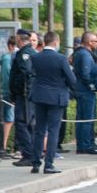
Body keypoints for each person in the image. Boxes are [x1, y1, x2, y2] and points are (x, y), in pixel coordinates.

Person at [27, 32, 78, 174]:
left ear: (44, 42)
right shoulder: (61, 59)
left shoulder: (35, 57)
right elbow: (72, 79)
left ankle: (36, 163)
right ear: (56, 42)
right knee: (53, 130)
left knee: (39, 130)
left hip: (39, 96)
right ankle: (49, 164)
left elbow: (30, 72)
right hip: (56, 97)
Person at [9, 31, 38, 168]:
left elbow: (26, 73)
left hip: (25, 95)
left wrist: (18, 89)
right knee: (29, 123)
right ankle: (32, 153)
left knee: (22, 123)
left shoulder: (25, 54)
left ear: (20, 40)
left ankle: (28, 154)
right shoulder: (30, 52)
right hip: (27, 94)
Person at [72, 33, 97, 154]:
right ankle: (86, 145)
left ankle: (83, 143)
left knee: (81, 118)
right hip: (85, 91)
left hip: (80, 90)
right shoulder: (85, 55)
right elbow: (86, 74)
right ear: (89, 42)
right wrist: (93, 86)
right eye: (95, 41)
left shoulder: (80, 53)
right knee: (87, 118)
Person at [0, 36, 16, 159]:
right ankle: (2, 147)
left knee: (10, 119)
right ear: (10, 46)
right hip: (7, 93)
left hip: (9, 93)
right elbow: (6, 78)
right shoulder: (7, 59)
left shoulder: (11, 58)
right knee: (8, 119)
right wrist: (9, 92)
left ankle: (5, 146)